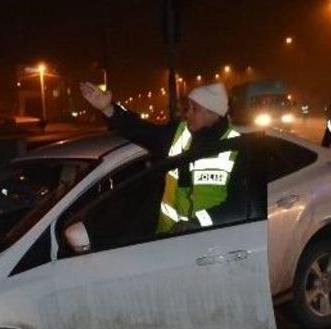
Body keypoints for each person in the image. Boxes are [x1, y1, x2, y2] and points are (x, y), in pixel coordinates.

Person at [79, 81, 240, 233]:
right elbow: (140, 130)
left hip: (213, 240)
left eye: (194, 109)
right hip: (168, 239)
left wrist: (197, 223)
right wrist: (109, 109)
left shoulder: (238, 147)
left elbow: (241, 201)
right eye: (188, 108)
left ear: (213, 113)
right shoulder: (178, 133)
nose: (187, 114)